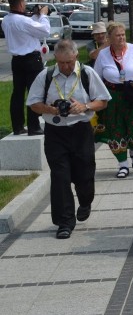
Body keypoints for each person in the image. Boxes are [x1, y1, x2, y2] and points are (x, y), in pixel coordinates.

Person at [27, 40, 110, 239]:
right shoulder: (45, 75)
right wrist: (51, 109)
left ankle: (85, 200)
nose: (66, 67)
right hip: (55, 132)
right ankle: (64, 222)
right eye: (62, 63)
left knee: (84, 173)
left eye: (69, 62)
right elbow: (33, 104)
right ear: (56, 59)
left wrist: (85, 106)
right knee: (60, 177)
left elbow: (103, 101)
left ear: (76, 57)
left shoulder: (87, 74)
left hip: (81, 130)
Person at [93, 22, 133, 178]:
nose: (121, 38)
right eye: (117, 35)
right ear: (109, 38)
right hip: (113, 97)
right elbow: (96, 77)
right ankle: (123, 165)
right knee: (115, 130)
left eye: (123, 34)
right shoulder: (103, 55)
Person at [5, 0, 50, 136]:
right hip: (31, 60)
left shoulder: (7, 19)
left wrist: (34, 16)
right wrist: (43, 15)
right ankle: (34, 126)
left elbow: (27, 28)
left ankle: (17, 126)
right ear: (21, 3)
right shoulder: (23, 21)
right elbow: (44, 31)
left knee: (17, 93)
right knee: (34, 93)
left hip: (16, 60)